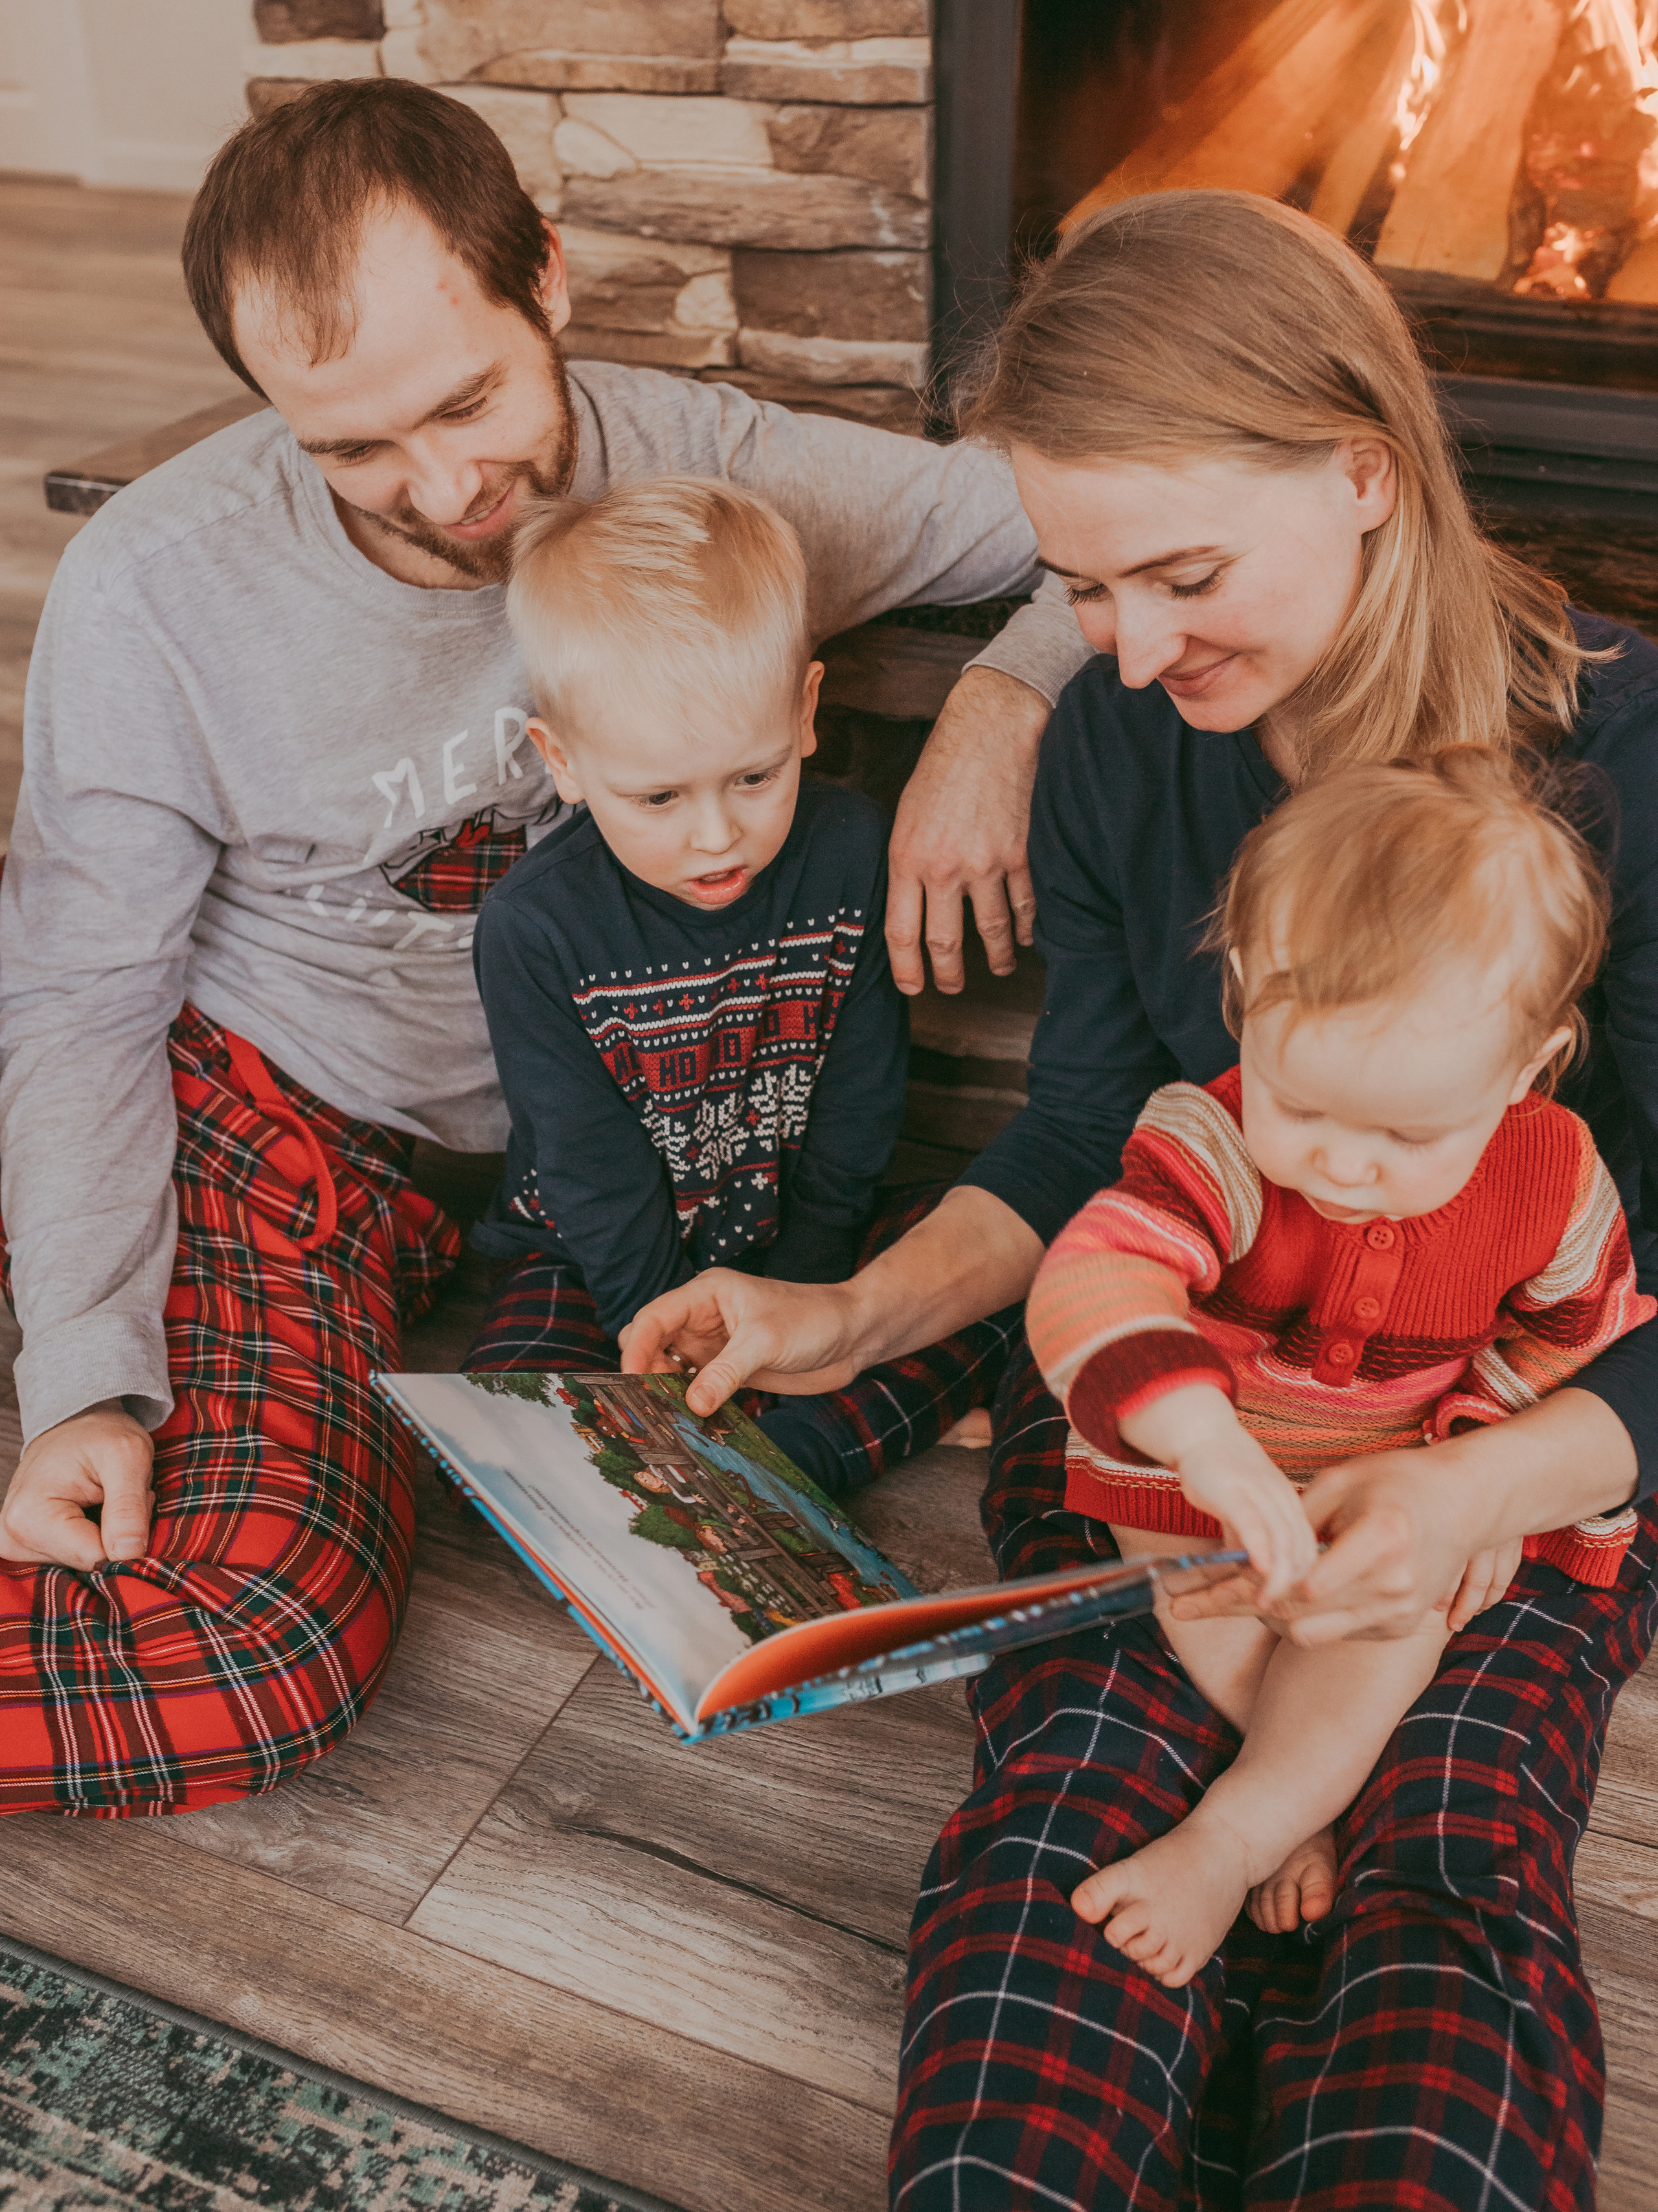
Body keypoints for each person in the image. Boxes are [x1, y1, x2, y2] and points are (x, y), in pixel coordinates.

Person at [619, 189, 1658, 2207]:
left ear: (1362, 472)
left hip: (1505, 1451)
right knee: (1071, 1791)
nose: (1133, 648)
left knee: (1448, 1849)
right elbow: (1081, 1148)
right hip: (1162, 1415)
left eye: (1179, 575)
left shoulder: (1627, 750)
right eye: (1081, 591)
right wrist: (844, 1318)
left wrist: (1462, 1500)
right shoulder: (1116, 735)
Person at [0, 78, 1087, 1817]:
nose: (444, 487)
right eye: (350, 446)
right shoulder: (158, 589)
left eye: (468, 400)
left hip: (621, 1173)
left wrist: (1000, 703)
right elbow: (76, 1001)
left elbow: (1085, 515)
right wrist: (83, 1378)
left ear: (550, 286)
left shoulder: (722, 475)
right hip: (300, 1127)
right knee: (258, 1652)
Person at [1025, 747, 1652, 1989]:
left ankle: (1231, 1834)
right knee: (1219, 1610)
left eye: (1410, 1134)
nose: (1345, 1166)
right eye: (1302, 1105)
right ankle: (1293, 1792)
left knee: (1385, 1633)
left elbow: (1574, 1333)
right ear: (1249, 998)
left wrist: (1479, 1466)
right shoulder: (1209, 1137)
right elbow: (1096, 1277)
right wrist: (1203, 1442)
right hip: (1201, 1471)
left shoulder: (1555, 1174)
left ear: (1527, 1071)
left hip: (1396, 1467)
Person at [466, 476, 1016, 1494]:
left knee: (1001, 1278)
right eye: (660, 795)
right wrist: (665, 1328)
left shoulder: (848, 852)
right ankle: (775, 1442)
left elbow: (860, 1096)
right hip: (590, 1257)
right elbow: (585, 1162)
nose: (716, 835)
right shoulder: (535, 926)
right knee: (515, 1420)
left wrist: (797, 1297)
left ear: (805, 711)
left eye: (752, 778)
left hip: (797, 1238)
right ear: (564, 760)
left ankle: (770, 1447)